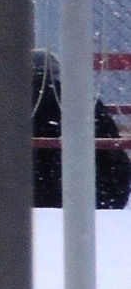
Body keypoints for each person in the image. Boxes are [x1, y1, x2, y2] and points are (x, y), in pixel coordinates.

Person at [30, 50, 131, 209]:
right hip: (86, 195)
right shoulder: (83, 100)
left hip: (29, 195)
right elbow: (115, 158)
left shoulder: (10, 105)